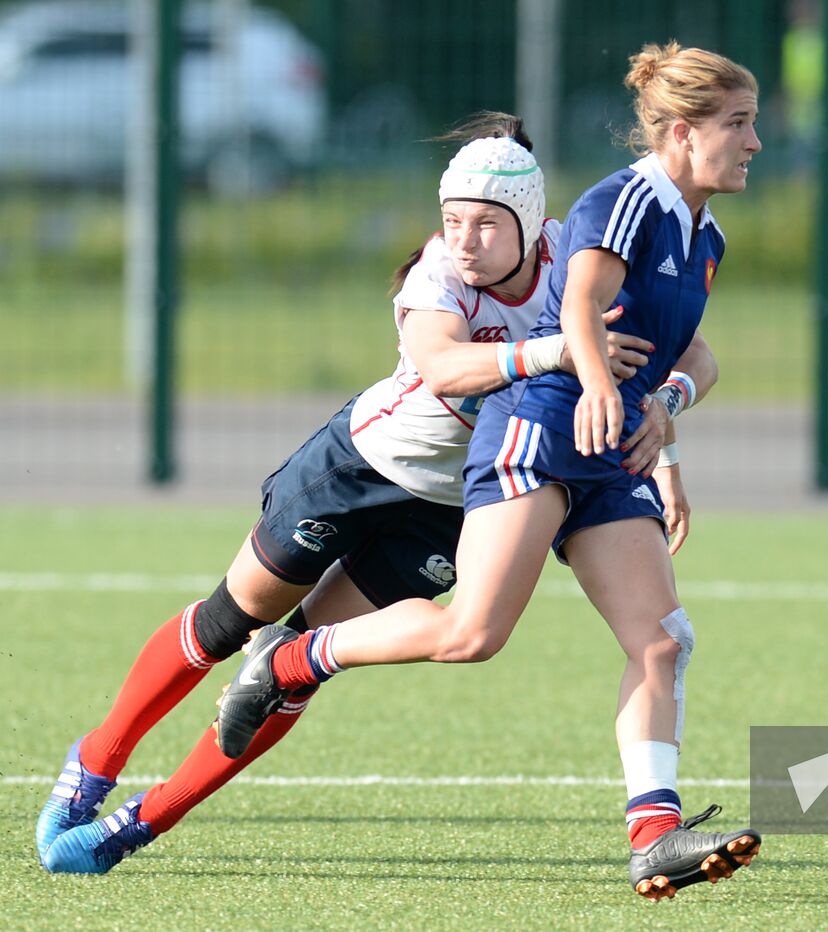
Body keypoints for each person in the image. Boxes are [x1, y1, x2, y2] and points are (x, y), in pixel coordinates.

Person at [39, 114, 717, 873]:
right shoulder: (437, 275)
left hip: (459, 504)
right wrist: (561, 348)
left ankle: (137, 824)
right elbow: (446, 369)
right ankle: (96, 760)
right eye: (452, 220)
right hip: (361, 469)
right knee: (233, 620)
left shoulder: (575, 258)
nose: (464, 241)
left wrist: (668, 416)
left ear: (531, 225)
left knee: (289, 664)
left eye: (486, 225)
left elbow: (676, 345)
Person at [214, 41, 763, 901]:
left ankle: (654, 836)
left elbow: (681, 352)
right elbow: (580, 306)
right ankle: (295, 657)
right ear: (684, 133)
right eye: (738, 123)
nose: (754, 142)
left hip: (608, 446)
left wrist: (668, 420)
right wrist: (591, 381)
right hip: (540, 429)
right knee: (472, 634)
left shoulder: (706, 233)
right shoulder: (626, 202)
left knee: (663, 642)